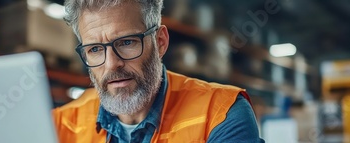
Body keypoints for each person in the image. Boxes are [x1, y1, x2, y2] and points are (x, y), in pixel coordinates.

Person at [52, 0, 265, 142]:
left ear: (160, 42)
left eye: (127, 42)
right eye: (95, 49)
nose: (111, 64)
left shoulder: (222, 113)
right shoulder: (61, 125)